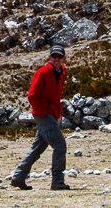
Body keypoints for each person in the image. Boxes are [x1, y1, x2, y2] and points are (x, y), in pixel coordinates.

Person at [11, 45, 70, 191]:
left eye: (59, 56)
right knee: (60, 145)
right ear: (49, 57)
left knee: (37, 148)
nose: (56, 59)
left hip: (51, 114)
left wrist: (57, 111)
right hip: (43, 115)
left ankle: (18, 177)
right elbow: (32, 95)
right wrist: (43, 112)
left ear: (63, 58)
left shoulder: (62, 72)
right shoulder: (42, 73)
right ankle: (57, 181)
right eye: (54, 56)